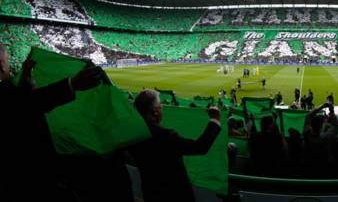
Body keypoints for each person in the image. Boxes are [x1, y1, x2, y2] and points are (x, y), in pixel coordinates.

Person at [0, 45, 105, 201]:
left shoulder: (10, 93)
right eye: (7, 59)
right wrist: (73, 83)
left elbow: (20, 104)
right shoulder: (7, 94)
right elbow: (24, 105)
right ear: (2, 64)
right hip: (30, 181)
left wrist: (26, 76)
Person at [129, 90, 221, 202]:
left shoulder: (132, 134)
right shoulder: (166, 136)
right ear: (155, 111)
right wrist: (215, 120)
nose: (162, 109)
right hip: (175, 195)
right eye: (160, 106)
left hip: (151, 193)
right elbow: (200, 147)